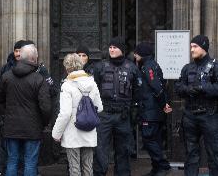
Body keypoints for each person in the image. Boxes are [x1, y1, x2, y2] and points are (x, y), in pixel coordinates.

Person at [0, 44, 51, 176]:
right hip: (32, 127)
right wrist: (43, 123)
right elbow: (46, 106)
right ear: (34, 59)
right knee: (30, 162)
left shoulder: (7, 76)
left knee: (12, 161)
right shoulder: (39, 79)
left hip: (11, 126)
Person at [93, 36, 141, 176]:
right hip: (104, 115)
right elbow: (93, 91)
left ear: (122, 49)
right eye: (110, 47)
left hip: (123, 116)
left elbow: (137, 93)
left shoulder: (131, 68)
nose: (112, 49)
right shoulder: (100, 67)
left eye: (115, 47)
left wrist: (134, 113)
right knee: (101, 150)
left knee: (123, 151)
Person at [52, 53, 103, 176]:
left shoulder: (67, 85)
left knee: (74, 169)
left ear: (67, 67)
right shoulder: (92, 82)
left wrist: (56, 133)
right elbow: (100, 108)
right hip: (89, 129)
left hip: (72, 131)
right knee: (88, 167)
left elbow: (65, 113)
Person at [175, 35, 218, 176]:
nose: (191, 49)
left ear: (204, 48)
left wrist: (202, 88)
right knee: (190, 154)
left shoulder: (214, 66)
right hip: (190, 116)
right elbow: (178, 88)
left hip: (209, 115)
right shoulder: (187, 68)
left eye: (195, 46)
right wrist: (188, 90)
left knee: (214, 153)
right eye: (191, 46)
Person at [0, 39, 34, 175]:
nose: (18, 53)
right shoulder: (5, 68)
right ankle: (1, 167)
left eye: (21, 51)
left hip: (26, 114)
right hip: (6, 112)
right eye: (16, 50)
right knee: (5, 143)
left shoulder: (36, 68)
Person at [134, 42, 172, 176]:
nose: (134, 55)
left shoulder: (148, 67)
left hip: (151, 111)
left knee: (148, 139)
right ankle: (156, 168)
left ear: (142, 54)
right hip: (153, 111)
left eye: (137, 53)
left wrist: (163, 104)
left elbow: (157, 87)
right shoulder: (151, 65)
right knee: (154, 139)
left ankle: (163, 166)